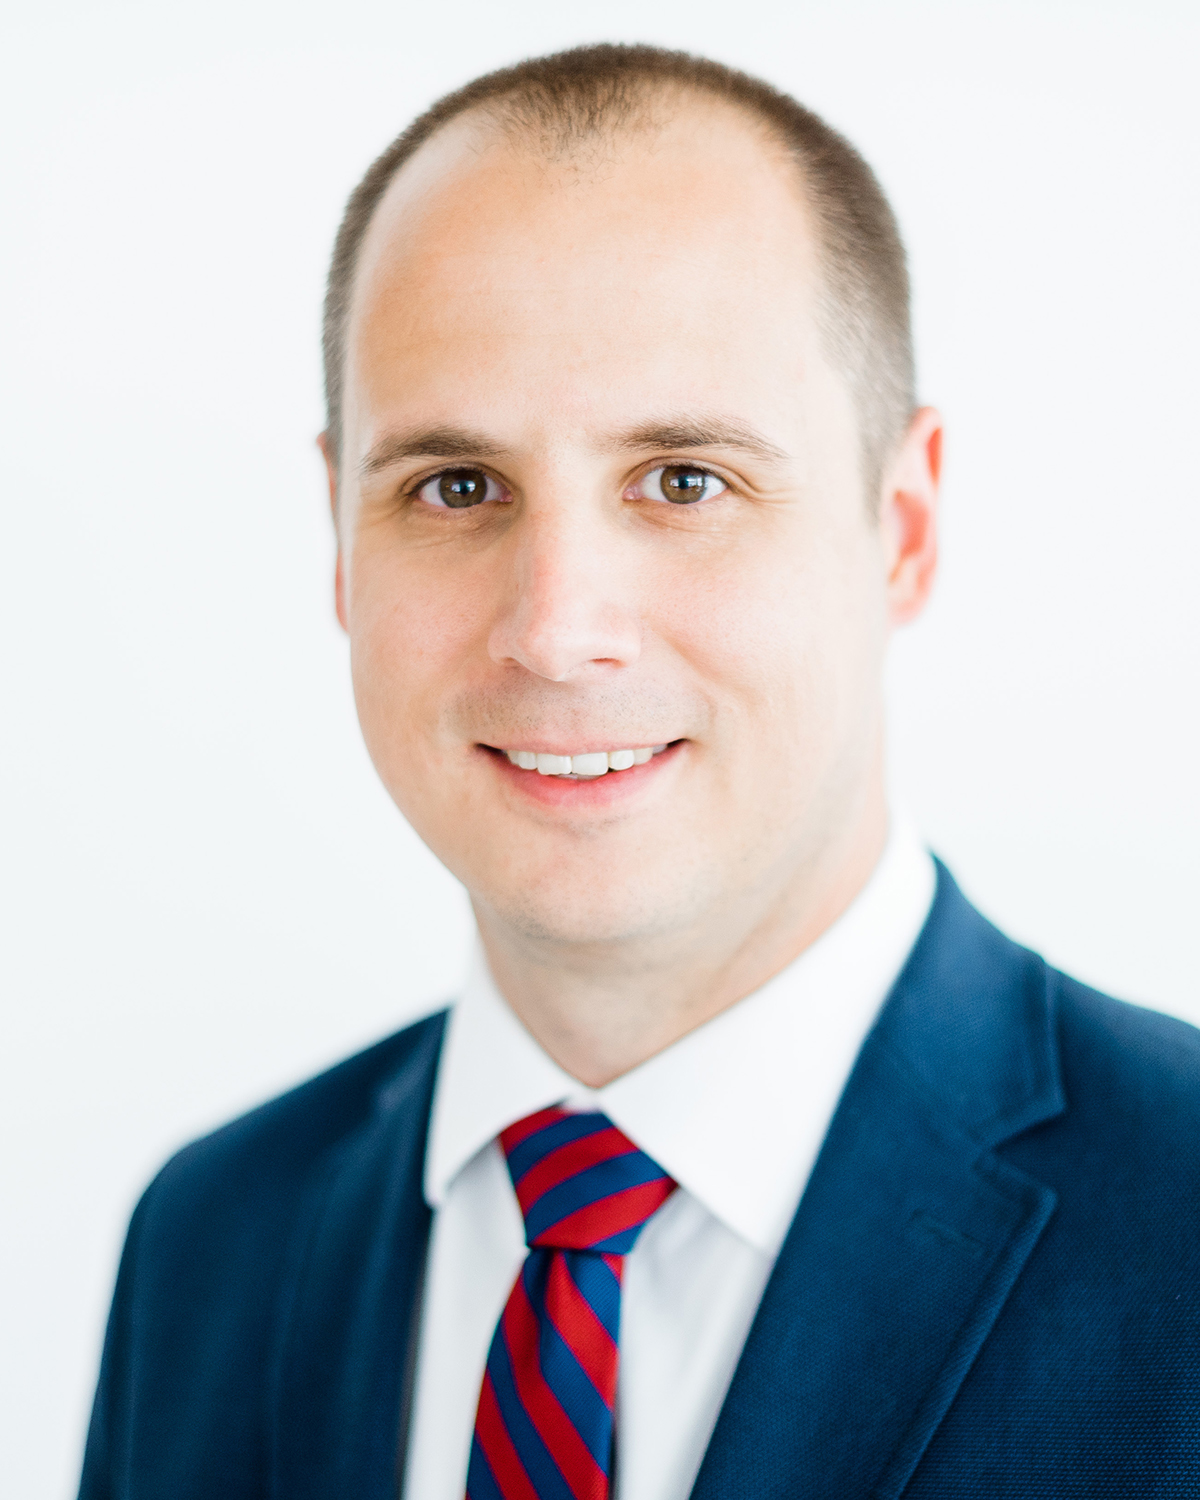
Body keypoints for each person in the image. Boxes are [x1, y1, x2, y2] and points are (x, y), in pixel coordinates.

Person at [78, 43, 1200, 1500]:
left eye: (685, 482)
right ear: (342, 541)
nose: (556, 629)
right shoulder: (213, 1240)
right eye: (456, 486)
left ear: (904, 529)